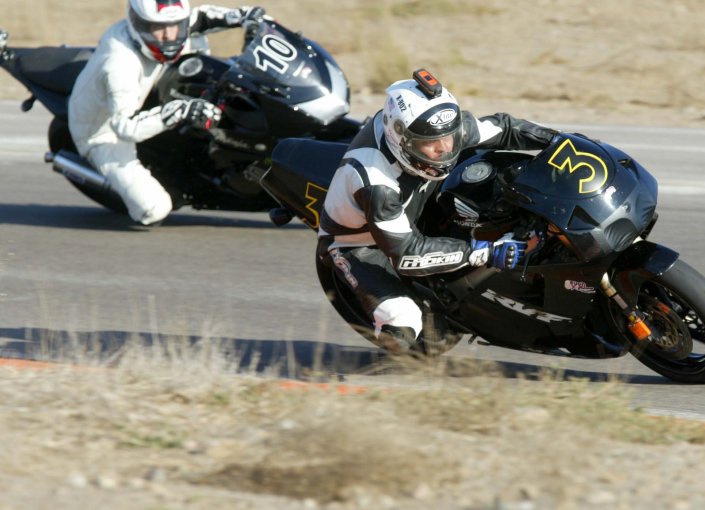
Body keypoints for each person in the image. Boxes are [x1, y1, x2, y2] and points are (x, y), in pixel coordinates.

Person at [317, 68, 559, 353]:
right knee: (403, 327)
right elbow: (405, 253)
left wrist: (558, 141)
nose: (445, 148)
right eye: (431, 143)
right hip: (363, 244)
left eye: (450, 136)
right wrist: (485, 251)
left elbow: (503, 128)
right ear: (400, 138)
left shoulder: (436, 130)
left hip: (417, 197)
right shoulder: (376, 181)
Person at [68, 0, 268, 225]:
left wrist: (247, 16)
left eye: (176, 25)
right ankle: (115, 179)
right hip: (104, 131)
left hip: (149, 95)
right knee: (156, 209)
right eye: (158, 28)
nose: (169, 35)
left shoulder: (167, 27)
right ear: (138, 24)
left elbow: (200, 18)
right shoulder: (120, 64)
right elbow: (125, 127)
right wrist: (181, 109)